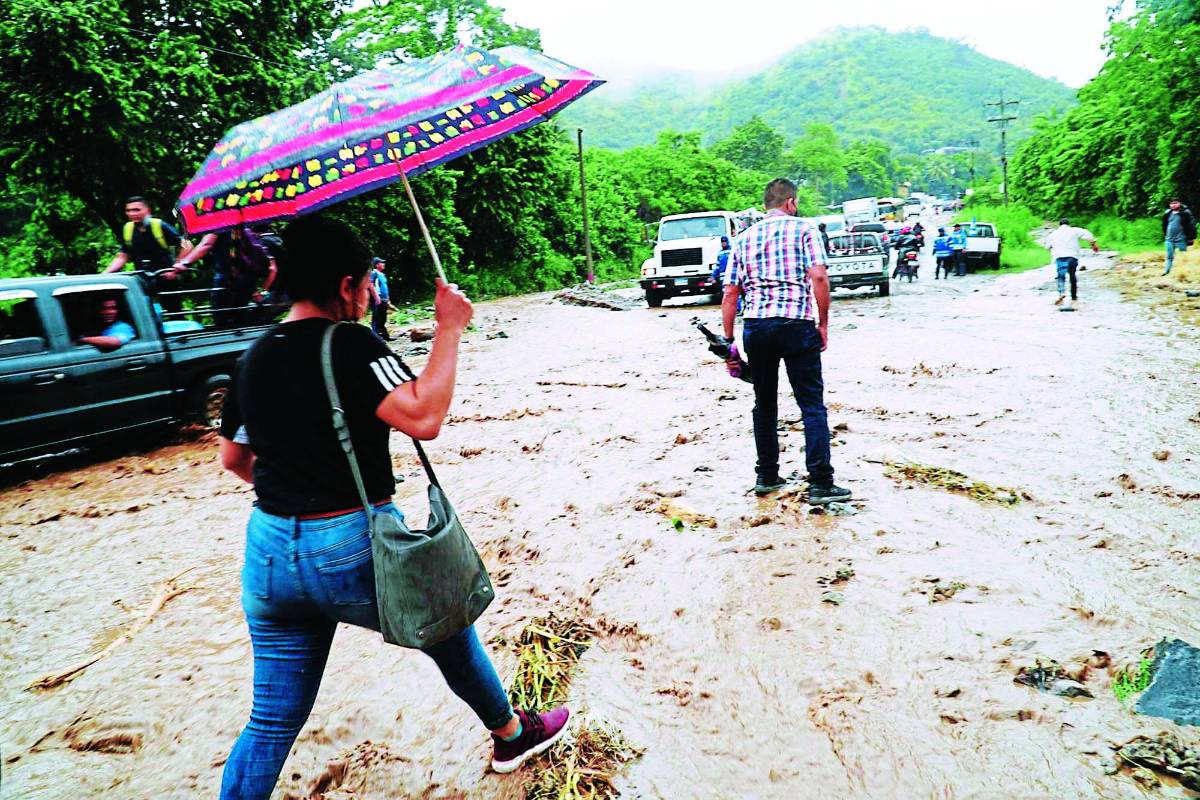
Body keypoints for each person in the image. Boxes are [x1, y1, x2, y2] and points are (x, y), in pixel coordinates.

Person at [215, 216, 569, 799]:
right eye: (366, 284)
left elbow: (234, 459)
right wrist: (449, 329)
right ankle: (510, 734)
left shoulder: (254, 355)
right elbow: (423, 416)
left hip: (269, 551)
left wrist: (296, 489)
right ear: (348, 284)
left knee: (272, 720)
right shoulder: (350, 342)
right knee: (447, 624)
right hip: (349, 542)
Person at [721, 178, 851, 505]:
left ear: (767, 204)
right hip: (797, 324)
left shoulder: (743, 238)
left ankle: (766, 476)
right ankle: (820, 482)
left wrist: (728, 343)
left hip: (758, 328)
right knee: (811, 404)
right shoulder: (805, 230)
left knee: (764, 402)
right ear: (791, 203)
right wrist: (823, 324)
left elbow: (730, 294)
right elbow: (819, 277)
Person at [181, 226, 277, 326]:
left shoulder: (219, 224)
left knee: (221, 321)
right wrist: (260, 289)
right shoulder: (244, 228)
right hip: (246, 282)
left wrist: (184, 263)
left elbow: (206, 244)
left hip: (226, 280)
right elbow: (271, 266)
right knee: (239, 318)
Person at [103, 196, 185, 275]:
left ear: (148, 211)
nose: (132, 213)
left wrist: (175, 267)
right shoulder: (128, 229)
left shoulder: (159, 225)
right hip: (141, 278)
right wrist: (104, 274)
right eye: (128, 210)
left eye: (136, 210)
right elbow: (122, 257)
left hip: (166, 276)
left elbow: (186, 245)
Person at [1041, 218, 1098, 309]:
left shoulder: (1053, 234)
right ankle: (1074, 298)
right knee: (1072, 275)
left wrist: (1054, 250)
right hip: (1072, 256)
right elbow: (1088, 235)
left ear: (1059, 225)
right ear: (1068, 224)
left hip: (1060, 257)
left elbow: (1047, 246)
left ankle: (1061, 292)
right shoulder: (1074, 230)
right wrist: (1093, 244)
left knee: (1061, 276)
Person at [1162, 198, 1196, 276]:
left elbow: (1191, 225)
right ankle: (1167, 271)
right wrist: (1165, 235)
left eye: (1175, 203)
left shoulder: (1185, 213)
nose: (1173, 205)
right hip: (1169, 239)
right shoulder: (1167, 214)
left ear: (1179, 203)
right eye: (1171, 203)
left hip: (1181, 239)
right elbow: (1164, 225)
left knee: (1183, 257)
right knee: (1169, 256)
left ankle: (1185, 273)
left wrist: (1191, 237)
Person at [368, 256, 394, 340]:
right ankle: (375, 337)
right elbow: (371, 285)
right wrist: (376, 297)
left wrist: (388, 298)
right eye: (381, 263)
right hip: (377, 299)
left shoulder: (382, 275)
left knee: (383, 318)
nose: (383, 264)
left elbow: (385, 287)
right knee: (376, 318)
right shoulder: (374, 273)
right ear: (376, 265)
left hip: (384, 299)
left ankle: (385, 336)